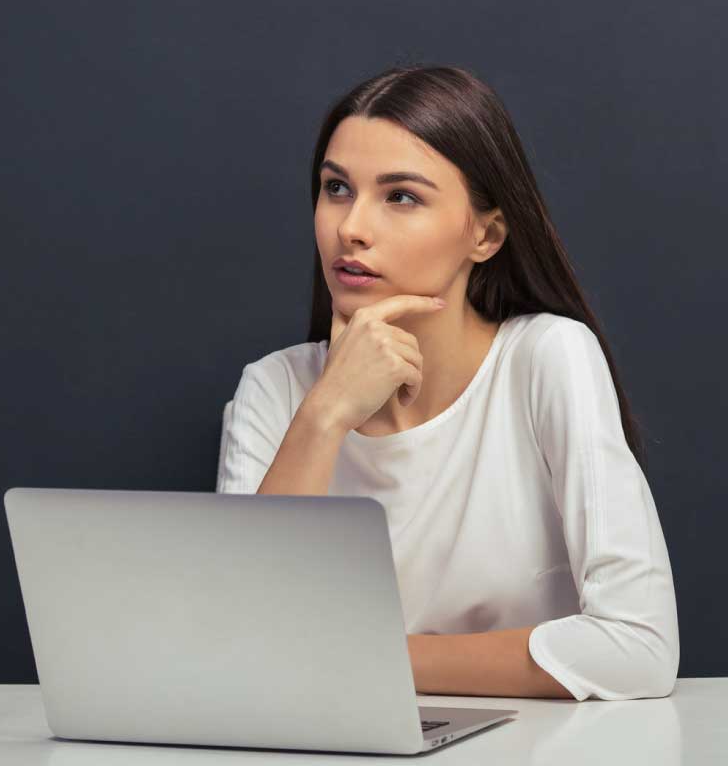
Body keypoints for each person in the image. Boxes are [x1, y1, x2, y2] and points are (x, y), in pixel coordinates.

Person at [216, 64, 679, 702]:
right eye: (336, 188)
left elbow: (639, 647)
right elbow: (234, 643)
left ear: (484, 234)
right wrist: (324, 416)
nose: (352, 227)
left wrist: (358, 656)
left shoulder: (548, 358)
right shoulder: (275, 390)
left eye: (400, 196)